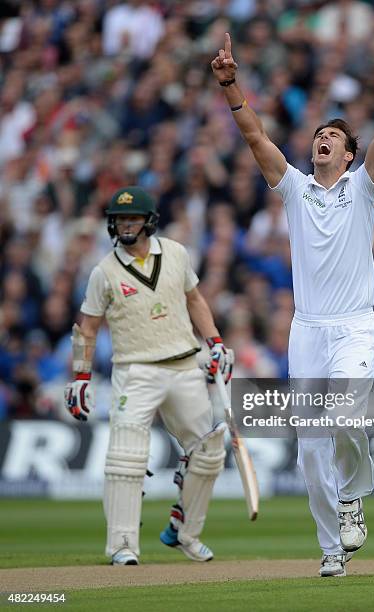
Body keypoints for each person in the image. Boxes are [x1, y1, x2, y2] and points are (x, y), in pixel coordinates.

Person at [212, 33, 374, 577]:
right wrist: (232, 89)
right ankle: (332, 550)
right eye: (318, 136)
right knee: (309, 448)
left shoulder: (364, 187)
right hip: (307, 331)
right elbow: (256, 137)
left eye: (333, 137)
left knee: (347, 412)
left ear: (347, 154)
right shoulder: (294, 189)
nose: (322, 141)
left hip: (353, 327)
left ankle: (353, 497)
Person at [64, 186, 233, 565]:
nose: (125, 224)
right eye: (120, 218)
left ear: (149, 221)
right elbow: (87, 329)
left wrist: (216, 342)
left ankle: (185, 533)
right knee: (126, 457)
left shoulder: (175, 253)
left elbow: (195, 300)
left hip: (184, 365)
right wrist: (81, 377)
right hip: (135, 369)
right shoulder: (103, 271)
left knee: (207, 452)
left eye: (133, 218)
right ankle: (122, 545)